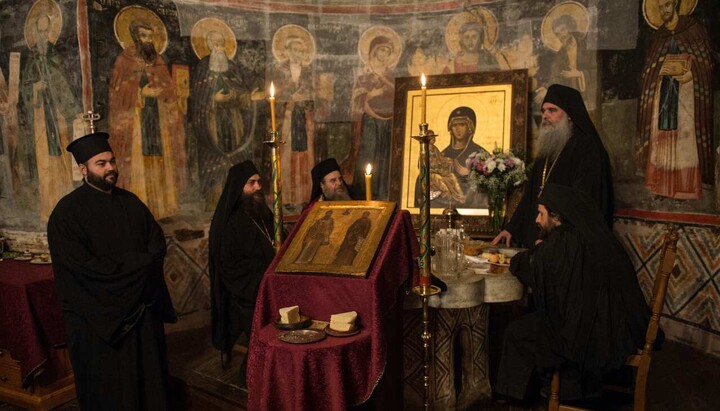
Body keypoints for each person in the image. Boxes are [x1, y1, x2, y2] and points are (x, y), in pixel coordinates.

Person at [47, 132, 176, 410]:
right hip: (99, 322)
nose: (110, 168)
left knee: (150, 387)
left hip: (141, 315)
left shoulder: (131, 202)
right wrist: (138, 265)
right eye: (101, 163)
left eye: (112, 162)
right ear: (83, 169)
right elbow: (82, 269)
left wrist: (134, 270)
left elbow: (156, 244)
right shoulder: (66, 214)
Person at [495, 184, 652, 401]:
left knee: (516, 332)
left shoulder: (565, 241)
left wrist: (530, 254)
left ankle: (518, 397)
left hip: (592, 336)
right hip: (615, 326)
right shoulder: (588, 233)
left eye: (541, 214)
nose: (537, 220)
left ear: (557, 216)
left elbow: (531, 267)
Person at [493, 84, 613, 248]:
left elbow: (583, 203)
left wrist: (555, 238)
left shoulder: (588, 149)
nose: (545, 116)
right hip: (541, 238)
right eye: (543, 111)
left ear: (570, 115)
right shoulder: (548, 149)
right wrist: (512, 228)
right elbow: (531, 194)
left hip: (567, 242)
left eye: (552, 110)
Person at [110, 18, 186, 219]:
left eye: (151, 36)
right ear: (135, 37)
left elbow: (168, 87)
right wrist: (140, 93)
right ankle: (140, 207)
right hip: (136, 120)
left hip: (158, 118)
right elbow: (117, 92)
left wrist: (166, 93)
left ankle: (163, 208)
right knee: (140, 163)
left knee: (160, 161)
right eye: (144, 36)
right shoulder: (124, 59)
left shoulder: (158, 60)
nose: (148, 40)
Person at [637, 0, 713, 199]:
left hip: (686, 95)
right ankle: (661, 187)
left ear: (676, 4)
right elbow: (649, 70)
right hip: (663, 95)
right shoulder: (658, 37)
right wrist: (656, 74)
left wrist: (691, 75)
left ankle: (684, 189)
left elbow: (704, 62)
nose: (664, 11)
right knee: (662, 140)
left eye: (667, 5)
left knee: (683, 142)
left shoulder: (692, 29)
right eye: (660, 7)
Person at [209, 160, 275, 381]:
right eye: (251, 183)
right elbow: (229, 268)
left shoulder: (264, 215)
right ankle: (250, 377)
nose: (258, 187)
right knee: (267, 333)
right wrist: (262, 279)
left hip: (268, 286)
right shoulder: (231, 224)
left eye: (259, 182)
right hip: (245, 295)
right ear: (239, 188)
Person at [21, 13, 80, 221]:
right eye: (40, 30)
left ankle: (67, 203)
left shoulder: (56, 56)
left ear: (50, 32)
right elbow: (25, 88)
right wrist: (36, 87)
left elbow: (64, 82)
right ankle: (48, 207)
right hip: (40, 117)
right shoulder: (31, 60)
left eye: (46, 30)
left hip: (57, 113)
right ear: (35, 33)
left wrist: (71, 108)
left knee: (63, 153)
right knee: (44, 159)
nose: (43, 35)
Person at [191, 28, 255, 208]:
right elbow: (197, 96)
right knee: (214, 161)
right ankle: (214, 201)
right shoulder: (203, 66)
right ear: (208, 44)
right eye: (215, 43)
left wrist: (240, 96)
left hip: (233, 121)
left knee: (236, 158)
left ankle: (239, 200)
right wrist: (213, 99)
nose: (219, 47)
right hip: (210, 125)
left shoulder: (232, 67)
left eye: (221, 43)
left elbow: (241, 90)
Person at [344, 34, 397, 200]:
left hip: (389, 123)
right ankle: (364, 194)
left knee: (385, 157)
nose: (384, 54)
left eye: (387, 51)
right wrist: (373, 94)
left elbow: (399, 95)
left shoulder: (391, 78)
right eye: (382, 50)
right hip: (370, 122)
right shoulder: (364, 77)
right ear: (374, 51)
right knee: (369, 154)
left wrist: (385, 85)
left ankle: (383, 194)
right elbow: (356, 102)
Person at [271, 32, 316, 207]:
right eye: (294, 50)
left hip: (304, 120)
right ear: (288, 51)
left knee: (304, 157)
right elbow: (274, 96)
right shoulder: (279, 70)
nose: (298, 54)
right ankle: (288, 198)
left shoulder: (308, 72)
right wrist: (289, 100)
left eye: (301, 51)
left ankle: (305, 197)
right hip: (287, 120)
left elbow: (315, 97)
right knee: (287, 157)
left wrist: (305, 100)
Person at [444, 20, 508, 74]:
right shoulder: (452, 65)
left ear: (480, 39)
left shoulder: (488, 60)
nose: (470, 41)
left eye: (474, 37)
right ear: (461, 39)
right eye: (466, 37)